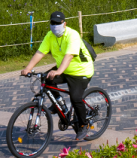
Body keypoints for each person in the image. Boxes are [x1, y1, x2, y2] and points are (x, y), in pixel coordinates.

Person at [20, 11, 95, 140]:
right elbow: (40, 52)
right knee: (46, 79)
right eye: (52, 23)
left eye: (58, 23)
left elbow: (69, 55)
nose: (55, 26)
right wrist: (28, 68)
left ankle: (83, 125)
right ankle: (58, 104)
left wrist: (59, 71)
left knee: (76, 98)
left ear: (64, 24)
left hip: (81, 71)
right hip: (64, 69)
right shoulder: (50, 36)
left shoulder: (72, 35)